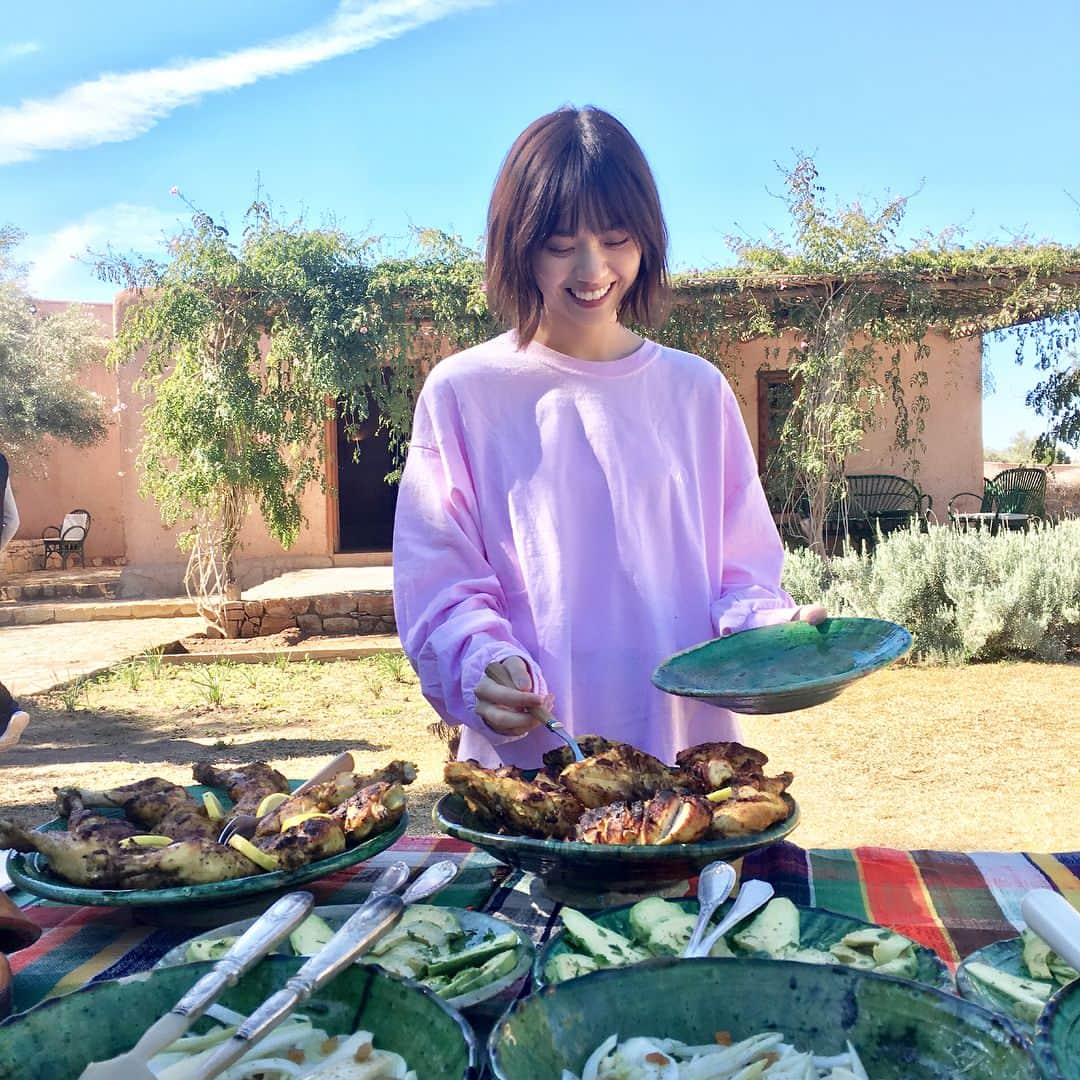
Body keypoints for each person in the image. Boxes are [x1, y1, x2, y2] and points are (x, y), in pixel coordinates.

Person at [393, 106, 824, 768]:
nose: (592, 269)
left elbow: (742, 574)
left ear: (647, 238)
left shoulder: (696, 392)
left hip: (689, 761)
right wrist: (482, 660)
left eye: (616, 238)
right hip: (532, 770)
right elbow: (440, 582)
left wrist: (767, 633)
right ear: (518, 244)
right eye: (561, 245)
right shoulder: (464, 393)